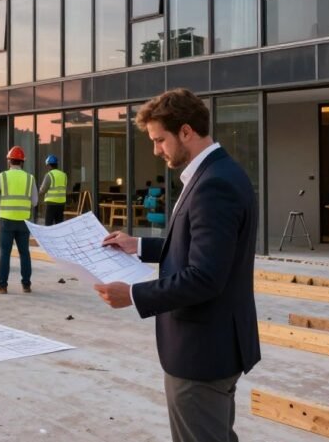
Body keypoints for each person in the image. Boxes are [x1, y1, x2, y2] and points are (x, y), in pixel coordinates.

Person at [94, 88, 260, 442]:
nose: (156, 150)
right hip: (215, 345)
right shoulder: (219, 173)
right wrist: (136, 245)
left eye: (159, 140)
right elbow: (196, 248)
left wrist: (135, 295)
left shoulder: (213, 185)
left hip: (201, 353)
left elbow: (205, 277)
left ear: (186, 132)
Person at [0, 146, 37, 294]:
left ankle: (2, 285)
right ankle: (26, 285)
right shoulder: (30, 178)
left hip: (6, 220)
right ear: (22, 162)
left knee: (5, 253)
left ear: (9, 161)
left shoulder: (2, 176)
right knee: (25, 253)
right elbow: (35, 201)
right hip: (23, 221)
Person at [39, 154, 67, 226]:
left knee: (48, 225)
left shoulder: (49, 175)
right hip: (61, 203)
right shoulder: (63, 175)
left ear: (48, 165)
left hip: (51, 204)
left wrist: (40, 190)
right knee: (59, 225)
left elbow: (43, 190)